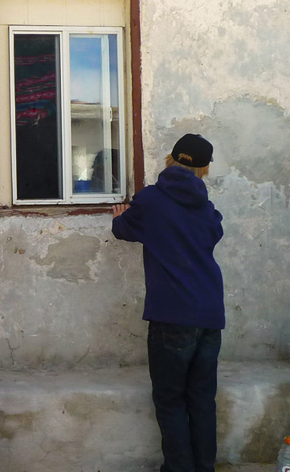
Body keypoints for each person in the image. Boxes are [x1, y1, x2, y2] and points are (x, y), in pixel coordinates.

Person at [112, 134, 224, 472]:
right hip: (209, 313)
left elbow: (125, 229)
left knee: (170, 399)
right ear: (204, 168)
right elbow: (214, 232)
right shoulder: (206, 208)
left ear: (170, 158)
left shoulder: (151, 200)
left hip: (172, 315)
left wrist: (119, 217)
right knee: (202, 398)